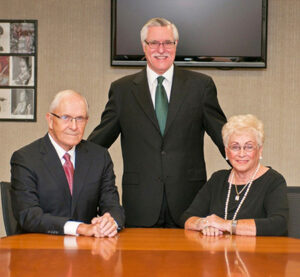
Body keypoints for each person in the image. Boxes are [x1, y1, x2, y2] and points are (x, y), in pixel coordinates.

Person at [88, 18, 226, 228]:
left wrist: (250, 172)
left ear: (175, 45)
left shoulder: (201, 86)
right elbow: (98, 142)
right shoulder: (123, 90)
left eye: (168, 43)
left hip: (189, 204)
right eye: (154, 43)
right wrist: (70, 164)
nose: (161, 49)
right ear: (144, 46)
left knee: (190, 261)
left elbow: (223, 137)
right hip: (140, 203)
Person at [11, 90, 125, 237]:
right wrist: (79, 228)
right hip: (41, 249)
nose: (74, 126)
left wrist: (110, 222)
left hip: (88, 250)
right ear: (50, 120)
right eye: (66, 118)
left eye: (80, 119)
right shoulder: (25, 159)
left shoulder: (99, 157)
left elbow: (112, 205)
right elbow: (29, 215)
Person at [181, 114, 288, 236]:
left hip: (257, 253)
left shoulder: (273, 180)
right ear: (227, 151)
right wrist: (205, 224)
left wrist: (226, 225)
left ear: (260, 150)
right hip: (219, 252)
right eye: (235, 147)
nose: (241, 153)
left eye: (248, 147)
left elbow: (279, 225)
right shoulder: (217, 179)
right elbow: (187, 218)